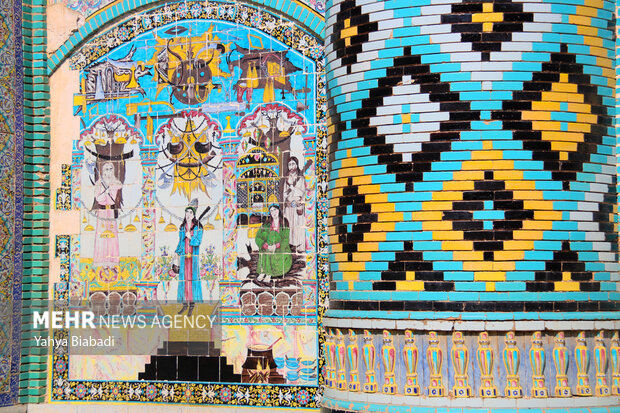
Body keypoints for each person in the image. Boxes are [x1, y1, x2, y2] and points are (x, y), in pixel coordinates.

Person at [175, 200, 203, 314]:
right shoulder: (182, 227)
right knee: (184, 280)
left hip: (193, 258)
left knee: (192, 280)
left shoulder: (198, 227)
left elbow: (198, 241)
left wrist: (190, 237)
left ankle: (192, 305)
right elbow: (180, 241)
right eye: (187, 212)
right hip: (184, 258)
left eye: (191, 212)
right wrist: (176, 252)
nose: (188, 214)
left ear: (194, 214)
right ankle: (184, 304)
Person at [92, 162, 122, 268]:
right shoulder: (99, 184)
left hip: (111, 212)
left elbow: (114, 197)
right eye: (106, 169)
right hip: (102, 212)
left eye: (110, 169)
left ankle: (112, 262)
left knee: (112, 237)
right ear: (103, 171)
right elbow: (99, 199)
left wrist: (109, 188)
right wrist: (104, 192)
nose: (109, 171)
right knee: (102, 237)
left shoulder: (115, 183)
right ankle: (102, 263)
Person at [255, 204, 292, 282]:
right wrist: (265, 245)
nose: (274, 212)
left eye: (275, 210)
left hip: (280, 248)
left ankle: (268, 273)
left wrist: (276, 245)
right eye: (271, 211)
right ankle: (263, 272)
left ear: (279, 210)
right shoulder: (266, 224)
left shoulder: (284, 222)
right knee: (266, 248)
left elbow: (286, 239)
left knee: (273, 235)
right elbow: (257, 237)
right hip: (268, 246)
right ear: (270, 213)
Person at [283, 157, 305, 252]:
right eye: (289, 164)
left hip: (296, 206)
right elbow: (285, 192)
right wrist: (286, 196)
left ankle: (298, 246)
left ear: (296, 165)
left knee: (297, 226)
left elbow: (302, 192)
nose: (291, 166)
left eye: (293, 164)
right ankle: (290, 245)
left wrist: (294, 189)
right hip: (289, 207)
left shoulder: (301, 178)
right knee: (289, 226)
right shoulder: (287, 178)